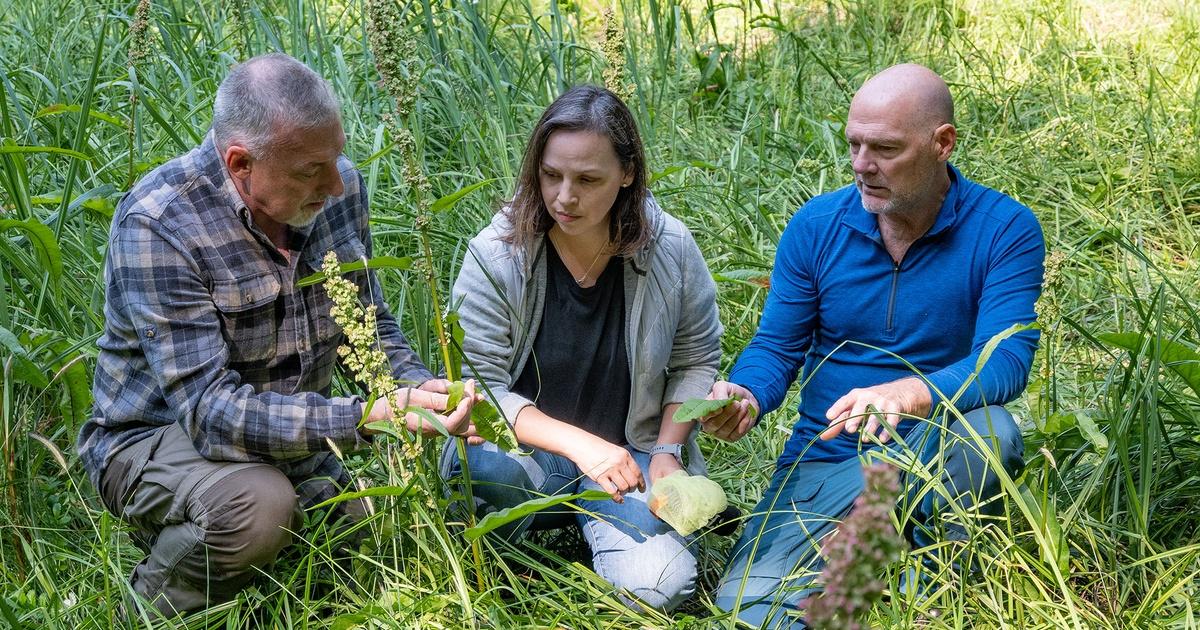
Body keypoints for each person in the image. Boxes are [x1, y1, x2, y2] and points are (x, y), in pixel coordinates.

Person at [76, 53, 477, 617]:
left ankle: (246, 561)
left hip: (285, 435)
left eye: (337, 159)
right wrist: (366, 417)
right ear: (241, 164)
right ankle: (142, 613)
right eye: (312, 170)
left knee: (356, 549)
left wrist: (421, 393)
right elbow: (210, 413)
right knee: (260, 509)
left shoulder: (336, 191)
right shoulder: (160, 223)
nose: (337, 184)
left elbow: (366, 323)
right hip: (156, 437)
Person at [701, 64, 1045, 628]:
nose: (862, 165)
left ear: (942, 144)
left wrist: (909, 393)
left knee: (993, 431)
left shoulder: (1003, 228)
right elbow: (777, 347)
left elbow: (1006, 360)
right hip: (829, 460)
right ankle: (869, 569)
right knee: (750, 611)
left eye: (885, 148)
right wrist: (746, 395)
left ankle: (932, 581)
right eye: (854, 144)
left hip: (936, 454)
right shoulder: (816, 226)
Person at [441, 85, 722, 611]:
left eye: (588, 179)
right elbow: (475, 387)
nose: (564, 197)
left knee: (663, 586)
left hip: (632, 455)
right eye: (551, 175)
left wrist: (665, 452)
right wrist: (581, 446)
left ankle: (609, 533)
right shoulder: (496, 254)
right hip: (528, 452)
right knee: (479, 472)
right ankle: (510, 552)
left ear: (628, 173)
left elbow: (695, 358)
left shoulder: (671, 248)